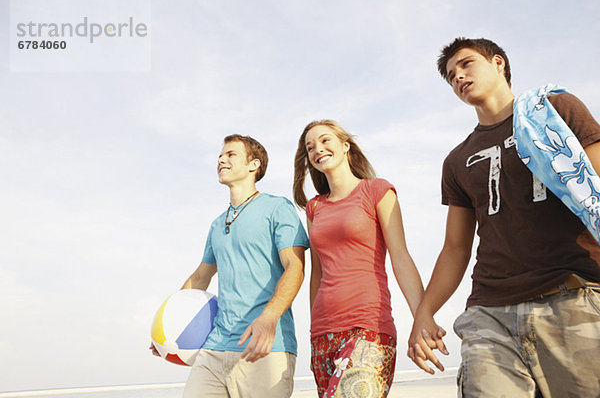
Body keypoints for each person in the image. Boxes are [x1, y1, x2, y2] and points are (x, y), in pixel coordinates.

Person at [408, 37, 600, 397]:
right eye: (450, 76)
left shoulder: (556, 110)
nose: (458, 77)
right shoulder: (457, 159)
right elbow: (455, 248)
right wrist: (424, 313)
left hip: (572, 295)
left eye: (466, 64)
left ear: (498, 63)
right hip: (491, 309)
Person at [152, 134, 309, 398]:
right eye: (220, 156)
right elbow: (201, 276)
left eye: (231, 154)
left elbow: (295, 267)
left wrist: (269, 318)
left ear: (254, 164)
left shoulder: (277, 208)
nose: (221, 159)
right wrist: (168, 328)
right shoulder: (217, 224)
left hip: (264, 347)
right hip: (215, 347)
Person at [293, 119, 426, 398]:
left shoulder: (377, 191)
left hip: (368, 327)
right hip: (323, 332)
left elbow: (400, 257)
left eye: (325, 140)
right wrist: (313, 331)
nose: (318, 148)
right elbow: (317, 274)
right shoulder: (315, 207)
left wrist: (422, 317)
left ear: (345, 145)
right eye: (310, 146)